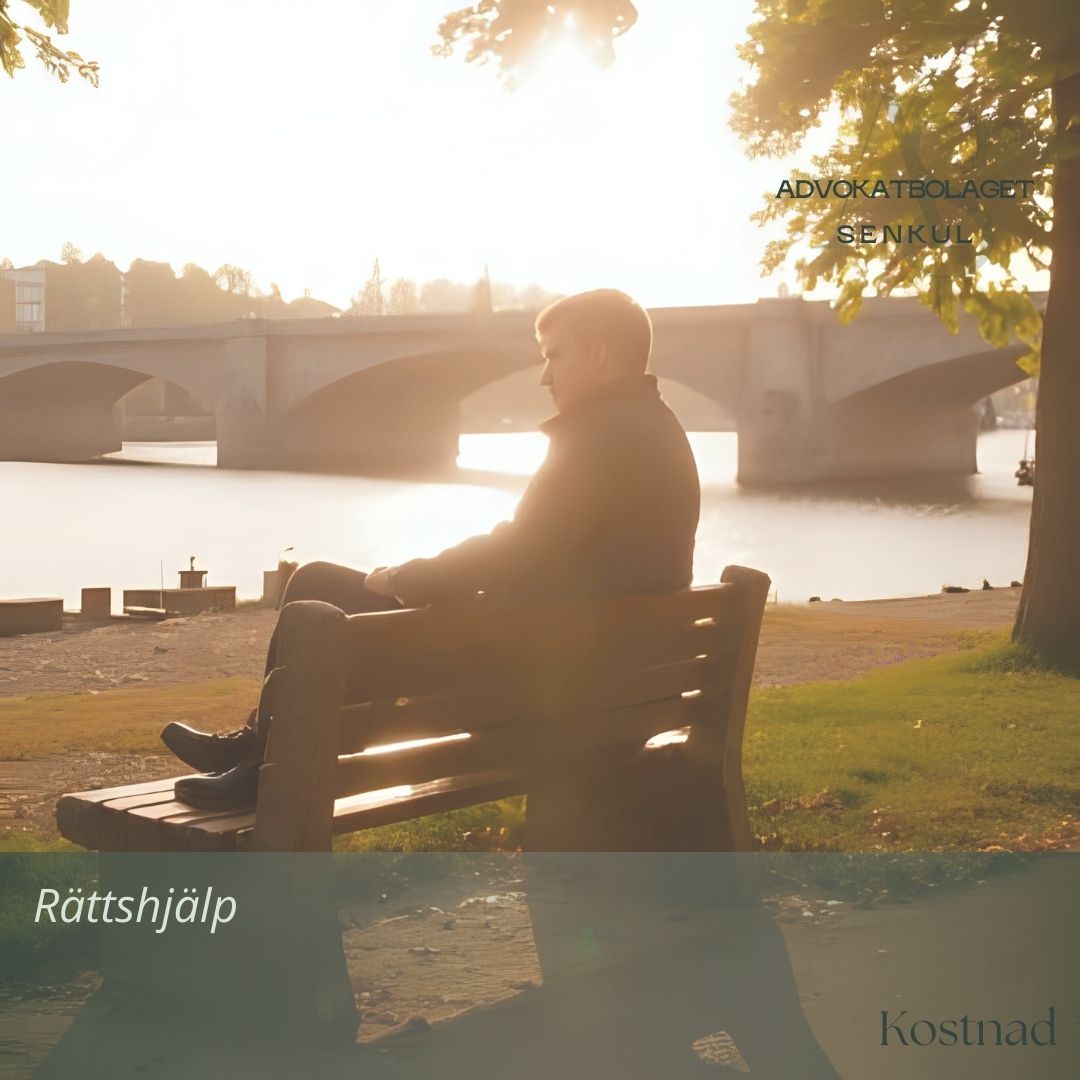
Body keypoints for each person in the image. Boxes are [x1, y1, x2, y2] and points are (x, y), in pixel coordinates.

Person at [164, 288, 701, 809]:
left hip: (540, 695)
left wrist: (404, 579)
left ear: (599, 354)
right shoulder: (658, 431)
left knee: (314, 586)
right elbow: (541, 555)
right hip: (610, 692)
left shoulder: (597, 442)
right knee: (344, 594)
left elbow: (514, 550)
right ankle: (257, 747)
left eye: (553, 356)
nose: (544, 376)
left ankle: (266, 764)